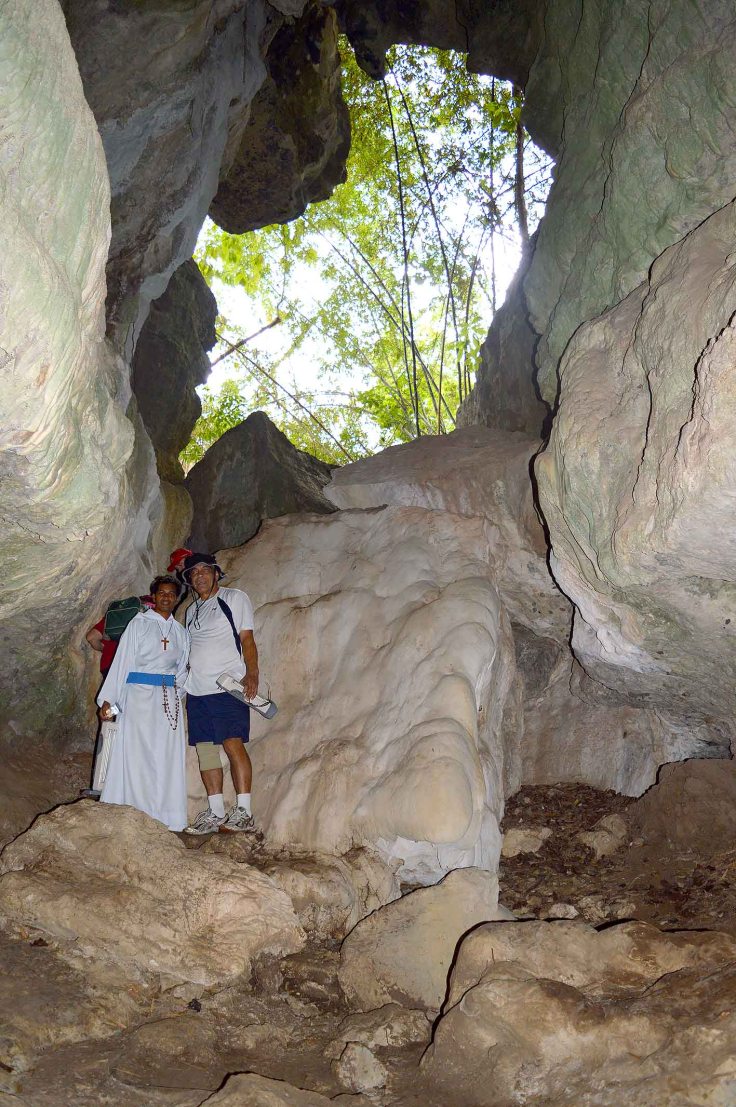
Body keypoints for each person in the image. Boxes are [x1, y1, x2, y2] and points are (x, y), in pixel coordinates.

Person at [97, 576, 189, 831]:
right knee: (138, 753)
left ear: (177, 597)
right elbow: (122, 662)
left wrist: (176, 694)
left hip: (167, 701)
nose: (166, 597)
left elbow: (182, 671)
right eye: (162, 593)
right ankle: (134, 810)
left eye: (172, 593)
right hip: (137, 697)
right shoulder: (138, 625)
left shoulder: (181, 633)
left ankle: (166, 817)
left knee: (165, 756)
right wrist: (109, 699)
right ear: (154, 596)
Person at [181, 552, 259, 835]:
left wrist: (252, 673)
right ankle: (214, 812)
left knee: (232, 743)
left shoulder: (235, 598)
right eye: (193, 572)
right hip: (197, 690)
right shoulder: (191, 611)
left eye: (204, 570)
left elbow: (247, 639)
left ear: (216, 573)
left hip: (227, 686)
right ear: (190, 580)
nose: (199, 575)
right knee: (205, 749)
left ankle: (244, 812)